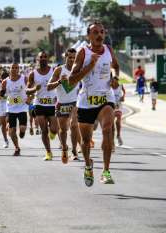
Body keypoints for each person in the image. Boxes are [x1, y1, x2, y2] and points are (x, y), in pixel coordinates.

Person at [69, 21, 119, 187]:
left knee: (107, 129)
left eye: (102, 32)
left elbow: (116, 67)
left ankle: (105, 171)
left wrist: (115, 79)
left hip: (106, 98)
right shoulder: (83, 53)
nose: (99, 35)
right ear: (88, 36)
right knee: (85, 140)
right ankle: (88, 165)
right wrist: (90, 66)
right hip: (86, 101)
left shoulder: (109, 50)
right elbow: (71, 80)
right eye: (95, 32)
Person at [47, 48, 81, 163]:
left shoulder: (79, 69)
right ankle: (65, 148)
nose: (72, 59)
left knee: (74, 125)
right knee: (63, 129)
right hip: (61, 103)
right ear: (65, 57)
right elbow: (48, 86)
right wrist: (59, 82)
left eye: (74, 57)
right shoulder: (59, 70)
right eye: (70, 57)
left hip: (75, 102)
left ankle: (74, 151)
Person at [26, 51, 58, 161]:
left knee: (54, 129)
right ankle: (48, 152)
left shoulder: (54, 71)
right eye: (41, 57)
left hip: (52, 104)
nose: (43, 58)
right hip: (39, 103)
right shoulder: (33, 74)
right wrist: (34, 89)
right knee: (44, 130)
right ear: (37, 59)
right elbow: (27, 90)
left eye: (45, 57)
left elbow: (59, 85)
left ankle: (52, 133)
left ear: (48, 58)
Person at [0, 63, 29, 156]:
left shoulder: (24, 79)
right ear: (10, 69)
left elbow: (30, 90)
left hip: (22, 107)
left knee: (22, 128)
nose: (14, 69)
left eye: (16, 68)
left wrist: (30, 98)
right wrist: (1, 93)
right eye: (12, 68)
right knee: (12, 130)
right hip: (11, 108)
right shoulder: (5, 81)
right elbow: (2, 93)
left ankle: (22, 132)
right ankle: (17, 148)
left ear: (18, 69)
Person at [111, 76, 126, 146]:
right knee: (111, 124)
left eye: (115, 81)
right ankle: (112, 139)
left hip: (118, 105)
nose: (114, 83)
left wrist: (123, 97)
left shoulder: (120, 86)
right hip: (111, 106)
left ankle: (118, 135)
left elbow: (124, 91)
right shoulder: (109, 86)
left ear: (117, 81)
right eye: (113, 81)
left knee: (118, 119)